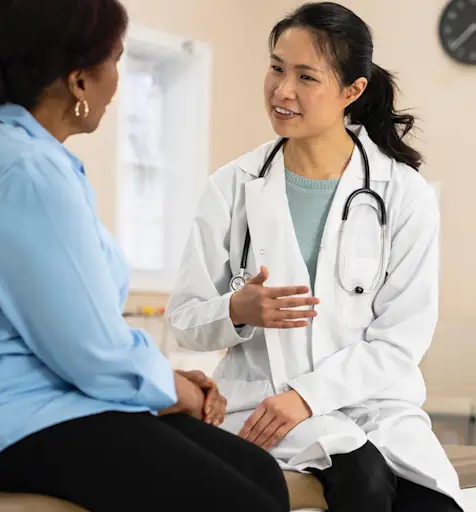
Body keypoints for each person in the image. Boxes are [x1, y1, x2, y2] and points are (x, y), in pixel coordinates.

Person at [0, 1, 291, 511]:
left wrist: (162, 379)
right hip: (6, 415)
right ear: (78, 81)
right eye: (115, 60)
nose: (117, 80)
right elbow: (89, 351)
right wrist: (175, 389)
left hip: (39, 396)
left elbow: (73, 330)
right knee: (248, 502)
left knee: (259, 471)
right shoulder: (26, 173)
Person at [166, 2, 464, 511]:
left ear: (352, 90)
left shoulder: (402, 193)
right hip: (266, 405)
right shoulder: (231, 187)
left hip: (375, 407)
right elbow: (185, 322)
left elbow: (400, 339)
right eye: (276, 68)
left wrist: (308, 395)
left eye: (306, 76)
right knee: (363, 480)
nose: (283, 90)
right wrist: (236, 310)